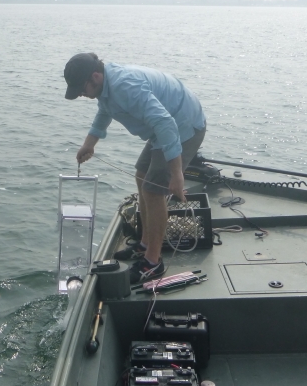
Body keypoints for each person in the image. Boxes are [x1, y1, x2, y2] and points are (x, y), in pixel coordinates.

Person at [64, 52, 206, 283]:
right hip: (162, 128)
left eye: (82, 89)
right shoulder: (106, 88)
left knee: (153, 189)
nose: (81, 94)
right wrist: (89, 144)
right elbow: (105, 111)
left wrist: (177, 174)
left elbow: (166, 123)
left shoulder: (125, 86)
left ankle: (153, 263)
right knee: (142, 175)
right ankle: (145, 244)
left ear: (96, 77)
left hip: (182, 125)